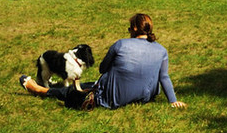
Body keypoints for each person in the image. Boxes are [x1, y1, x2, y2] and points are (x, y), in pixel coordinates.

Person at [19, 13, 187, 109]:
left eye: (129, 28)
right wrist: (173, 100)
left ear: (135, 29)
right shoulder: (161, 50)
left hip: (113, 97)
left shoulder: (121, 45)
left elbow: (102, 69)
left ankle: (39, 89)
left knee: (73, 93)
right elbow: (164, 77)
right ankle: (46, 88)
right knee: (88, 84)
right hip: (143, 97)